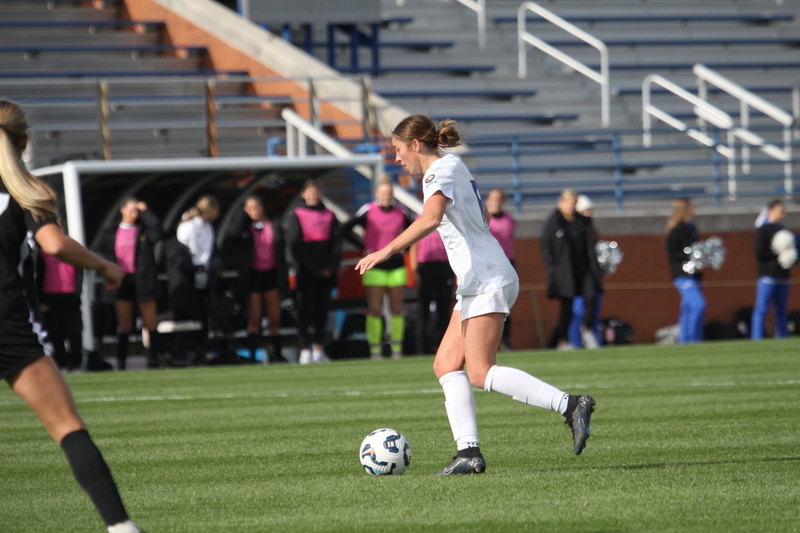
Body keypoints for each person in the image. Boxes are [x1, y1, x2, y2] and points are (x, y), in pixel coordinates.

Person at [356, 114, 595, 474]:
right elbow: (479, 214)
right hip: (480, 278)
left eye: (398, 149)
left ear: (415, 145)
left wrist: (386, 250)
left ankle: (571, 404)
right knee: (445, 364)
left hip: (487, 279)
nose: (397, 158)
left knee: (481, 372)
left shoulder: (437, 173)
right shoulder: (454, 166)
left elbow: (431, 218)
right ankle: (468, 453)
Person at [0, 99, 142, 532]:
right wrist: (105, 266)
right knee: (67, 427)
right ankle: (121, 528)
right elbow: (55, 245)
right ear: (24, 141)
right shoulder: (27, 192)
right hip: (7, 325)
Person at [341, 180, 412, 359]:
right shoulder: (368, 210)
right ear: (377, 194)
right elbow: (345, 229)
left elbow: (413, 232)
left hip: (396, 266)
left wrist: (406, 249)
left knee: (397, 308)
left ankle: (396, 348)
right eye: (383, 193)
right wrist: (362, 247)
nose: (386, 196)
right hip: (374, 266)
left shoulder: (401, 212)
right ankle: (375, 349)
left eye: (389, 193)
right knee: (375, 309)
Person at [92, 198, 164, 369]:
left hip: (143, 280)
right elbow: (96, 250)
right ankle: (122, 362)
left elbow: (158, 232)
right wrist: (110, 267)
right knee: (125, 325)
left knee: (150, 322)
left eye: (137, 211)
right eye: (132, 210)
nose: (134, 214)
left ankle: (154, 360)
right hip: (122, 280)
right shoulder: (110, 231)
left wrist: (146, 210)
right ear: (122, 209)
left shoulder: (143, 229)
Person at [226, 194, 289, 363]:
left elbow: (282, 245)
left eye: (257, 207)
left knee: (275, 318)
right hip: (253, 276)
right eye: (251, 208)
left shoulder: (273, 223)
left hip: (272, 275)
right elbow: (232, 234)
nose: (255, 211)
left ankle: (276, 354)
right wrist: (242, 214)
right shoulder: (245, 228)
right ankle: (253, 356)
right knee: (254, 318)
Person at [284, 180, 341, 364]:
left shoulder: (330, 215)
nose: (313, 196)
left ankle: (318, 347)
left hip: (326, 272)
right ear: (303, 194)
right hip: (306, 272)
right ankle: (304, 349)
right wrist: (314, 269)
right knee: (304, 312)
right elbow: (294, 245)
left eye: (316, 192)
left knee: (321, 312)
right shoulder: (297, 214)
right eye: (310, 193)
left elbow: (336, 244)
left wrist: (330, 267)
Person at [540, 189, 603, 350]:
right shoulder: (554, 222)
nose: (570, 206)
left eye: (573, 203)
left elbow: (591, 243)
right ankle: (562, 340)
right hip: (566, 272)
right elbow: (546, 247)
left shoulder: (582, 221)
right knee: (567, 307)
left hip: (584, 268)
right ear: (561, 203)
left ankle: (587, 330)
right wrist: (553, 269)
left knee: (591, 296)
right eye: (567, 202)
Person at [37, 223, 83, 371]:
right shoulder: (43, 250)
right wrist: (41, 299)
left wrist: (77, 293)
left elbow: (80, 273)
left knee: (74, 331)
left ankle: (76, 363)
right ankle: (61, 363)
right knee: (55, 333)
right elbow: (39, 275)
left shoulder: (73, 248)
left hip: (70, 295)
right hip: (50, 296)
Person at [177, 195, 220, 340]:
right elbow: (181, 254)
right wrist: (194, 268)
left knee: (204, 317)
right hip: (188, 279)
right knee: (193, 317)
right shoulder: (188, 226)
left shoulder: (208, 227)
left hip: (204, 279)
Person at [665, 197, 706, 344]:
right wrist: (691, 255)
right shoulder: (676, 230)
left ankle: (686, 341)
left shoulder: (691, 228)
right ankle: (692, 340)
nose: (693, 208)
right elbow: (673, 253)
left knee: (687, 309)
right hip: (682, 274)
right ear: (684, 209)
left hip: (694, 274)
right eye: (690, 206)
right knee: (698, 305)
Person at [409, 223, 454, 355]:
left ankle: (444, 348)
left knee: (444, 309)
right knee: (423, 309)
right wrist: (414, 270)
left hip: (444, 265)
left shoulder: (448, 220)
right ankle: (421, 349)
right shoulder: (419, 220)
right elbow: (413, 245)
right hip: (425, 266)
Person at [752, 200, 792, 340]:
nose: (783, 215)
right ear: (771, 211)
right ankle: (757, 338)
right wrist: (778, 253)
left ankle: (782, 337)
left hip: (783, 275)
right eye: (781, 211)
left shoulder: (781, 229)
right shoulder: (763, 229)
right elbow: (759, 252)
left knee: (781, 309)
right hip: (768, 275)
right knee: (762, 308)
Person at [568, 194, 603, 348]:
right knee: (578, 311)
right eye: (584, 211)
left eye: (589, 211)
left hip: (591, 274)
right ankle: (575, 342)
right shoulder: (574, 228)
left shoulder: (589, 228)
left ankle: (592, 337)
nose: (588, 214)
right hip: (577, 276)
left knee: (593, 308)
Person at [485, 188, 516, 350]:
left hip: (507, 262)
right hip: (490, 263)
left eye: (499, 199)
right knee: (490, 303)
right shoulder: (483, 218)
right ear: (488, 201)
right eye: (493, 198)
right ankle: (490, 342)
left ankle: (505, 341)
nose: (496, 202)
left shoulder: (509, 219)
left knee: (506, 303)